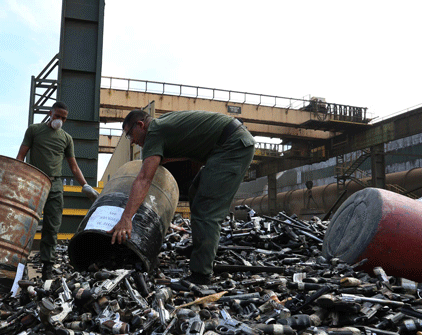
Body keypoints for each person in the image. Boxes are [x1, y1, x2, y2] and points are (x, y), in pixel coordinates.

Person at [110, 109, 256, 289]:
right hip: (226, 143)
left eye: (130, 134)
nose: (132, 141)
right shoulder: (160, 126)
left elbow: (144, 179)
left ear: (140, 125)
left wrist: (126, 219)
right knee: (196, 191)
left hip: (231, 146)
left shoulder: (154, 132)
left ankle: (201, 275)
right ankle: (199, 247)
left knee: (206, 208)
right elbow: (187, 149)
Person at [16, 101, 99, 280]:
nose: (60, 120)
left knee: (52, 228)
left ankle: (47, 269)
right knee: (27, 224)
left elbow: (74, 167)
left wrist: (85, 185)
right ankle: (18, 265)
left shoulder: (66, 138)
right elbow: (21, 156)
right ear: (50, 113)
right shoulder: (34, 130)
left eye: (64, 118)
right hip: (35, 182)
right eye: (57, 116)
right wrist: (19, 178)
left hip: (55, 185)